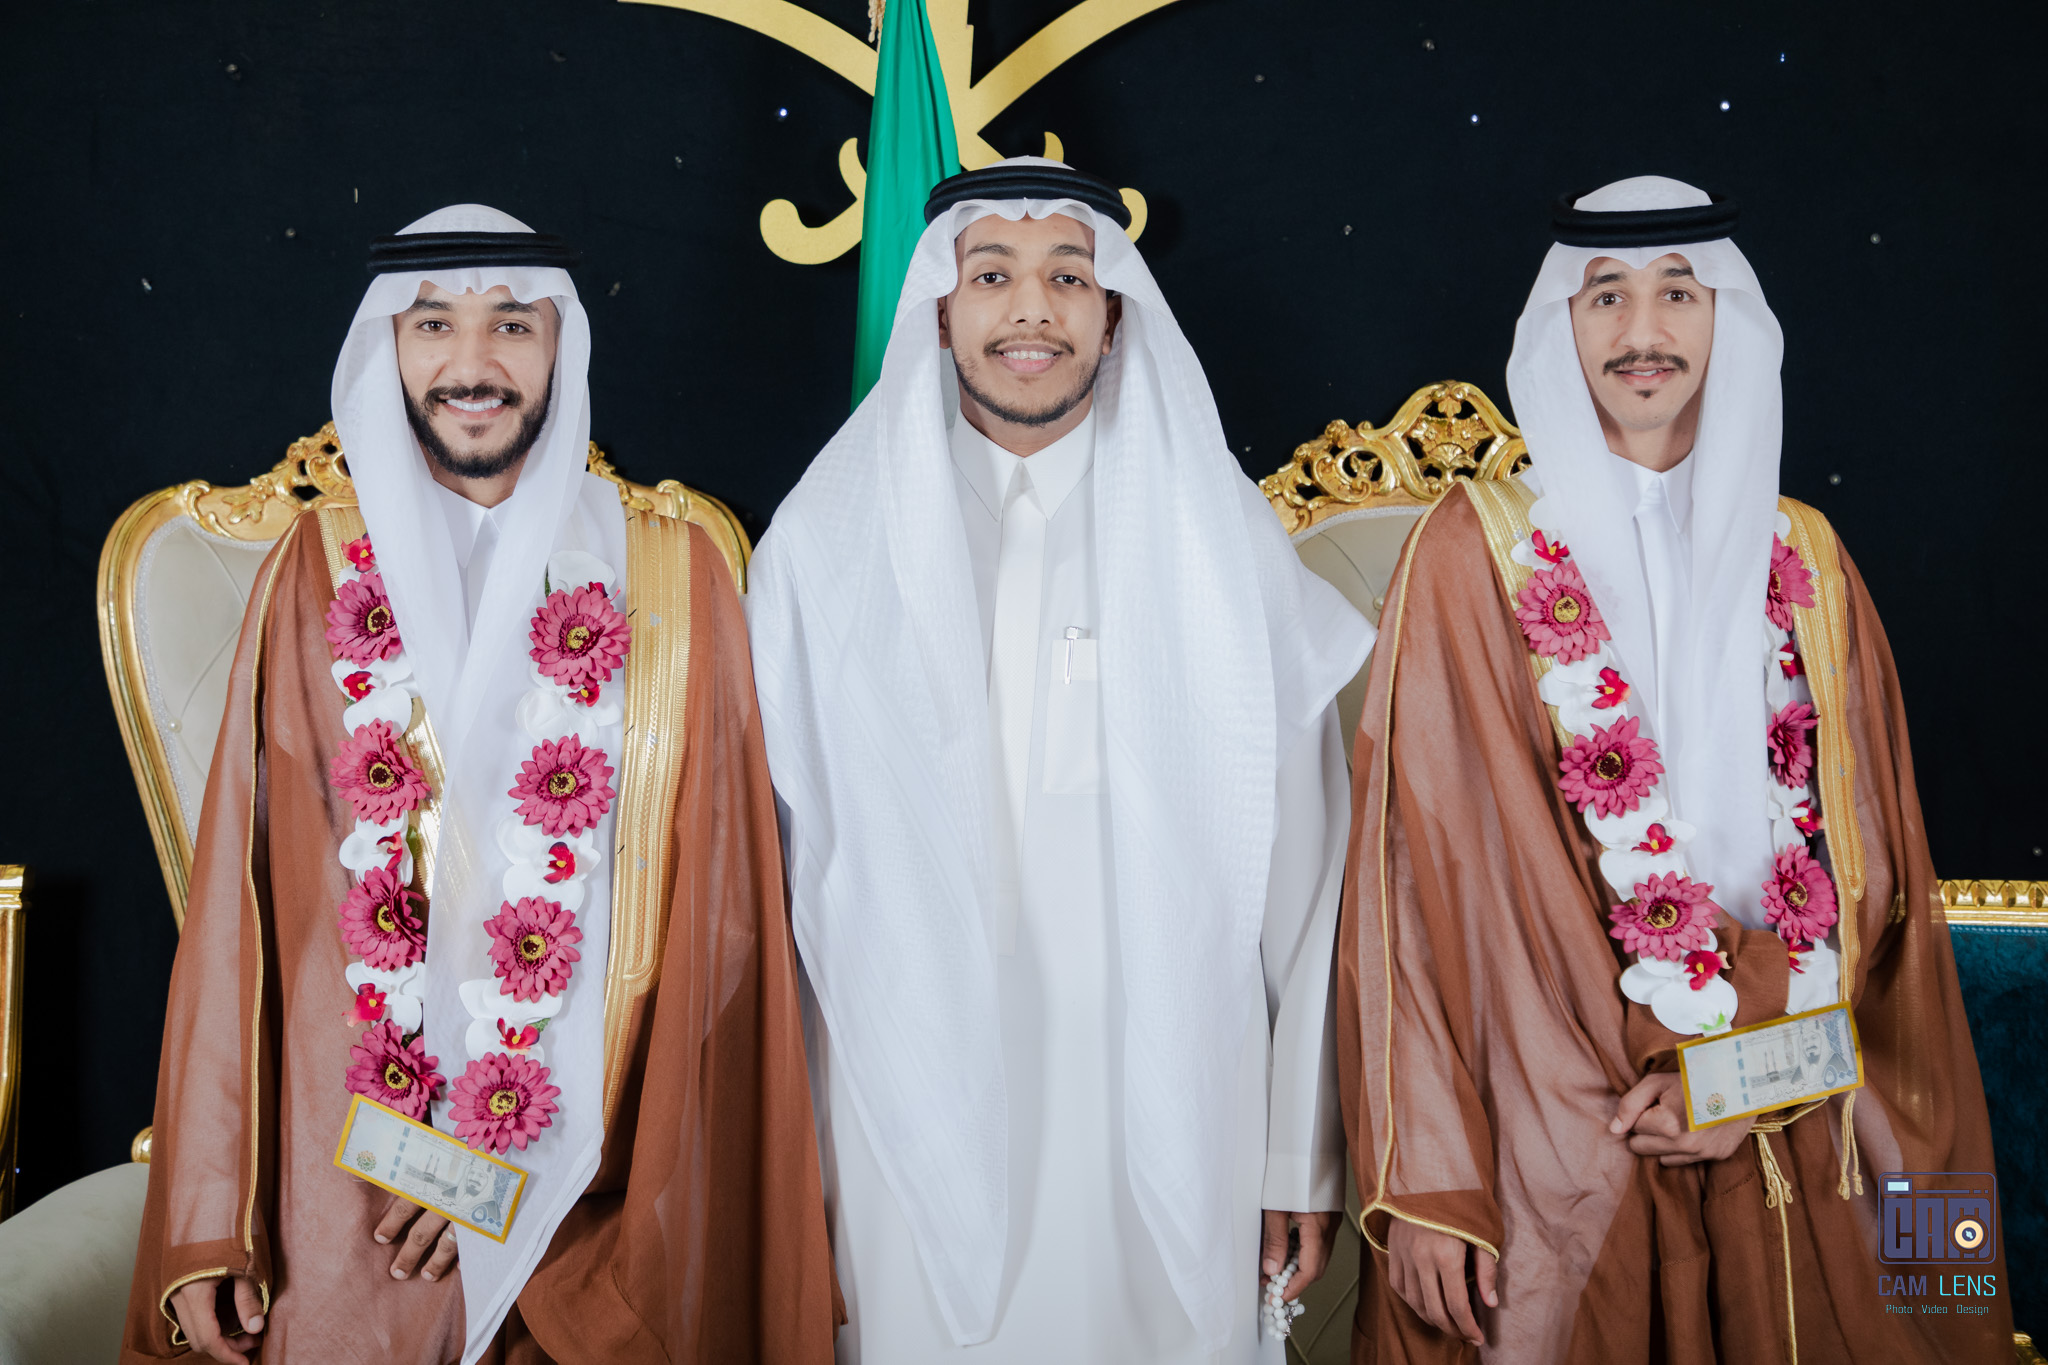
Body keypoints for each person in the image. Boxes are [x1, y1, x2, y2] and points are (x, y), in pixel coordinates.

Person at [122, 205, 837, 1365]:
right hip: (353, 1164)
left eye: (511, 324)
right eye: (432, 325)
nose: (471, 363)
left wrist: (513, 1163)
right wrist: (216, 1211)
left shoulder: (674, 571)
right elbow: (254, 916)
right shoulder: (314, 571)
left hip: (606, 1163)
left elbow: (717, 920)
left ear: (561, 349)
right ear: (386, 350)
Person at [1339, 176, 2010, 1362]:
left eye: (1676, 294)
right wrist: (1431, 1180)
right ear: (1560, 324)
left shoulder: (1806, 556)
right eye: (1604, 295)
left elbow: (1878, 889)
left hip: (1787, 1100)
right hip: (1552, 1108)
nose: (1640, 331)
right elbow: (1411, 881)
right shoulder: (1472, 551)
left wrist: (1746, 1072)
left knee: (1898, 1295)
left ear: (1726, 322)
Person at [746, 158, 1374, 1363]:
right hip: (894, 1105)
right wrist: (784, 1154)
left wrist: (1298, 1148)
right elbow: (772, 883)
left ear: (1113, 313)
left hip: (1174, 1093)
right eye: (991, 276)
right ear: (939, 310)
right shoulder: (825, 552)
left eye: (1067, 277)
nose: (1029, 310)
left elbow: (1308, 876)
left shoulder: (1217, 544)